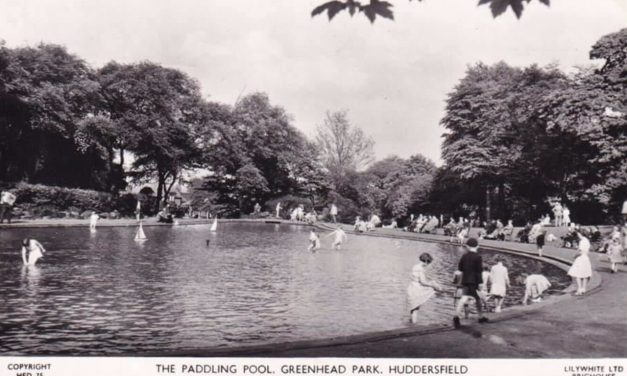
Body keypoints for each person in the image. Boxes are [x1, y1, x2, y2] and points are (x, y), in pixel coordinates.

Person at [453, 238, 488, 328]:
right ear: (477, 246)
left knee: (471, 298)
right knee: (473, 298)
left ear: (467, 246)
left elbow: (460, 268)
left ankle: (457, 316)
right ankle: (479, 317)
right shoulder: (478, 257)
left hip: (465, 280)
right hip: (474, 281)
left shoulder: (464, 256)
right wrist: (480, 282)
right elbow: (478, 271)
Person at [407, 252, 443, 323]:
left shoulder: (415, 266)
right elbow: (423, 282)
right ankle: (414, 326)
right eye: (428, 263)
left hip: (411, 287)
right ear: (426, 261)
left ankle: (411, 324)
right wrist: (432, 285)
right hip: (416, 289)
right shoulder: (421, 269)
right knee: (415, 309)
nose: (428, 265)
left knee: (413, 308)